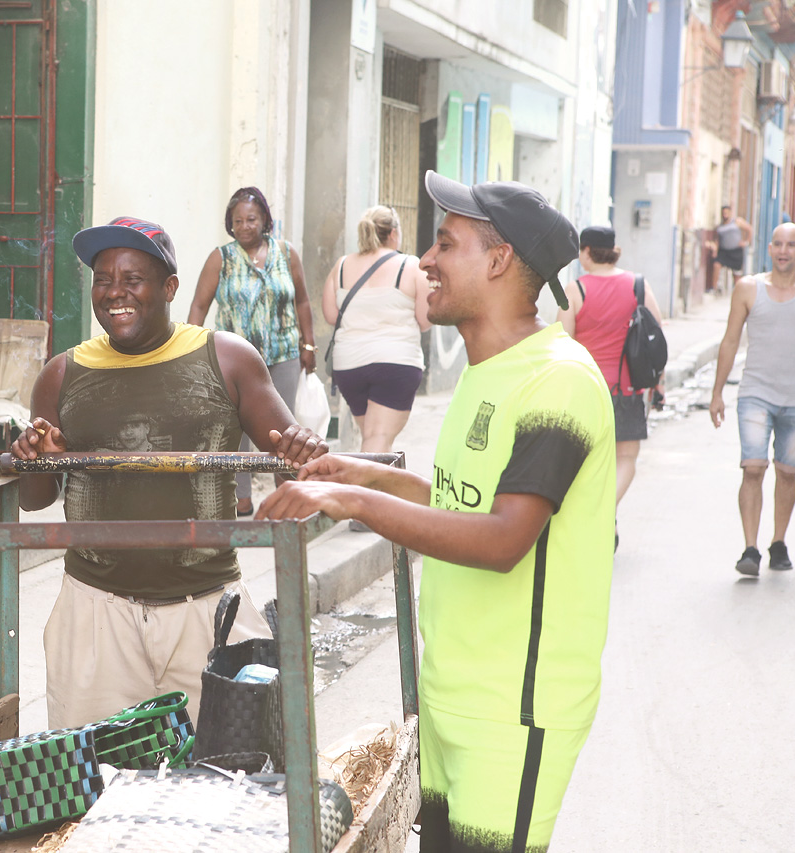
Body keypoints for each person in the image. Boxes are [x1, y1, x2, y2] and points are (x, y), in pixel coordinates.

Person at [258, 173, 616, 851]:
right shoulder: (489, 370)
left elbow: (503, 537)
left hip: (515, 709)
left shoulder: (558, 381)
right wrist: (365, 473)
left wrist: (351, 499)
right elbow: (461, 503)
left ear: (500, 259)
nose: (423, 261)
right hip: (451, 694)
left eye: (445, 244)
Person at [11, 215, 327, 728]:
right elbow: (34, 497)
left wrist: (304, 446)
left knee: (227, 770)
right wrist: (35, 454)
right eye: (104, 280)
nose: (116, 294)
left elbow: (295, 460)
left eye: (132, 280)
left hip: (205, 609)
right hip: (94, 610)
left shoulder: (226, 358)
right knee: (97, 777)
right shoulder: (62, 374)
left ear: (170, 287)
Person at [188, 187, 318, 516]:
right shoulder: (221, 258)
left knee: (284, 428)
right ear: (230, 225)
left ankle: (287, 492)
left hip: (283, 353)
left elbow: (302, 300)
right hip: (234, 362)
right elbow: (199, 306)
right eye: (238, 221)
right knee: (237, 426)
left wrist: (309, 343)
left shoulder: (286, 254)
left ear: (264, 221)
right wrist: (190, 349)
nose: (245, 226)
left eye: (251, 219)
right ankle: (241, 498)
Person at [557, 225, 663, 547]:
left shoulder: (575, 290)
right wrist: (658, 384)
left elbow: (562, 343)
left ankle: (598, 515)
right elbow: (656, 339)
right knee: (626, 457)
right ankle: (607, 513)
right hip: (628, 388)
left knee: (589, 459)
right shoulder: (638, 286)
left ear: (586, 251)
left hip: (586, 388)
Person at [709, 222, 795, 576]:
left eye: (791, 245)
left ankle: (778, 542)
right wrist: (716, 393)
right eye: (777, 243)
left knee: (788, 474)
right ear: (769, 247)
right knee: (753, 468)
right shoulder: (748, 289)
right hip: (755, 393)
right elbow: (730, 341)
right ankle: (750, 549)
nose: (783, 250)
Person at [320, 205, 432, 453]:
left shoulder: (341, 266)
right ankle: (358, 491)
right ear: (393, 233)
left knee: (371, 438)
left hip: (349, 366)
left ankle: (376, 488)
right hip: (395, 363)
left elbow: (330, 314)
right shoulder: (411, 266)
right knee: (377, 440)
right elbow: (425, 320)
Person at [710, 205, 753, 291]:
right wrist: (715, 250)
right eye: (723, 213)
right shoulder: (720, 226)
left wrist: (746, 242)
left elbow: (749, 229)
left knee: (736, 274)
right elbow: (717, 240)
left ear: (730, 213)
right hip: (723, 251)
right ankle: (714, 289)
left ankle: (738, 291)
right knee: (716, 265)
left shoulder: (737, 221)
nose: (725, 214)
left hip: (735, 251)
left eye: (726, 212)